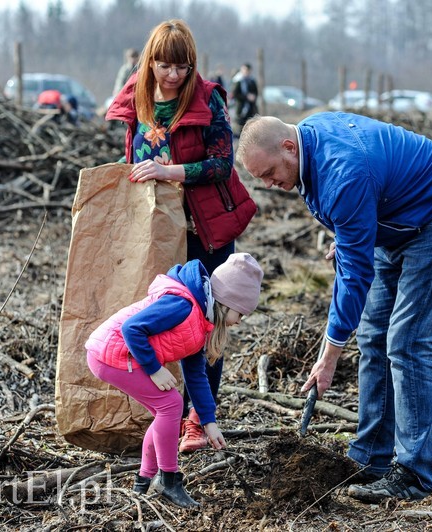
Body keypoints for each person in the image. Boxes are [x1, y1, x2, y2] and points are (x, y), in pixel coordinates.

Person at [236, 113, 432, 503]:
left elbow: (353, 277)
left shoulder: (343, 172)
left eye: (269, 173)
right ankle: (371, 459)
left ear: (288, 147)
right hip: (395, 218)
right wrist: (355, 234)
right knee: (372, 336)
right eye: (261, 180)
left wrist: (329, 355)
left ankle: (415, 474)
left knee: (408, 341)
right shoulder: (309, 145)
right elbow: (354, 222)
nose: (270, 185)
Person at [105, 19, 257, 453]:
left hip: (204, 231)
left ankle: (197, 419)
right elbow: (134, 156)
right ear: (150, 61)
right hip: (156, 233)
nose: (173, 75)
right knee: (163, 320)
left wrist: (170, 171)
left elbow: (222, 164)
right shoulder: (138, 99)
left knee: (207, 327)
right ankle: (159, 411)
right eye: (165, 65)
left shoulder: (208, 99)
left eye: (182, 67)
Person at [85, 254, 264, 507]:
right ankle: (168, 481)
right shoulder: (182, 306)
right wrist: (155, 369)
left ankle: (143, 482)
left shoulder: (202, 321)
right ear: (227, 301)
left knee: (165, 411)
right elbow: (132, 329)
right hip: (111, 353)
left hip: (120, 354)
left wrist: (208, 421)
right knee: (170, 405)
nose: (238, 322)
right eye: (241, 313)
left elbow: (196, 375)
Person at [231, 63, 258, 131]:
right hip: (241, 108)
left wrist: (253, 97)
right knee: (241, 128)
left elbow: (256, 92)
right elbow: (235, 94)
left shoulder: (252, 80)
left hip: (251, 108)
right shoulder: (238, 80)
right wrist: (246, 97)